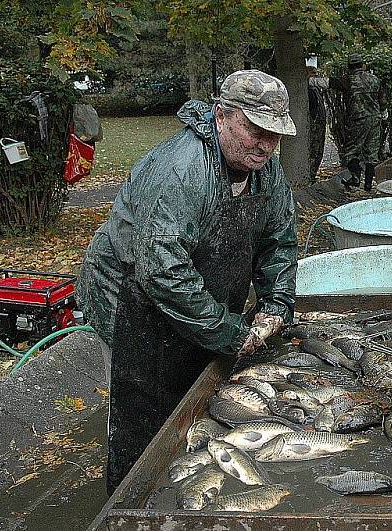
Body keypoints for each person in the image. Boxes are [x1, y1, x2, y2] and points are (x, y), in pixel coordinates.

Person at [76, 70, 298, 494]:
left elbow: (279, 241)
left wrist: (276, 303)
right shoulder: (181, 170)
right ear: (221, 116)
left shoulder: (265, 170)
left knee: (194, 392)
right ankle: (128, 503)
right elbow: (162, 272)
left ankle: (188, 481)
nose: (266, 145)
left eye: (275, 134)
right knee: (142, 412)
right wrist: (228, 330)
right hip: (131, 297)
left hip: (193, 291)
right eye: (255, 130)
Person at [331, 54, 386, 191]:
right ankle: (368, 186)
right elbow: (382, 100)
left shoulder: (348, 80)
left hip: (358, 120)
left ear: (349, 67)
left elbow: (328, 83)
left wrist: (310, 80)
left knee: (351, 152)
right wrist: (383, 114)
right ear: (362, 65)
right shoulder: (375, 79)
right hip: (375, 119)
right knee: (371, 154)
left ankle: (355, 178)